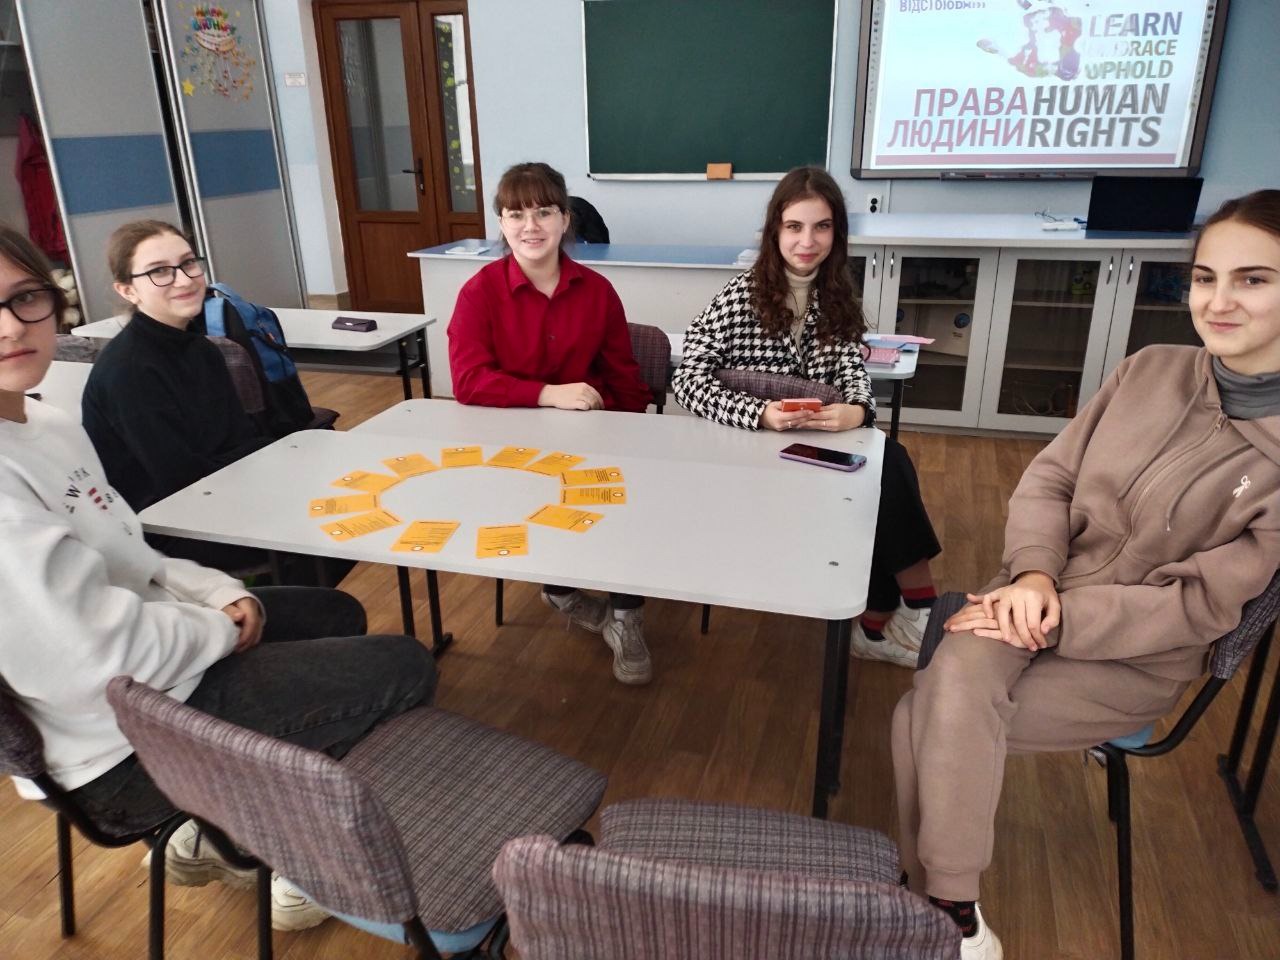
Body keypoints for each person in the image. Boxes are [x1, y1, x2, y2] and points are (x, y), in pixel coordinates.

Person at [0, 224, 437, 931]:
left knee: (335, 613)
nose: (11, 326)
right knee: (406, 666)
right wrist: (217, 629)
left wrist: (219, 594)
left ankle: (222, 821)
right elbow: (90, 662)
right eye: (159, 271)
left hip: (152, 659)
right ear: (124, 290)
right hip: (114, 745)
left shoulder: (46, 425)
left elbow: (130, 553)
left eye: (25, 298)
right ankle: (287, 852)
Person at [891, 189, 1280, 959]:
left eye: (1254, 279)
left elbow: (1200, 607)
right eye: (1206, 278)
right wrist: (1035, 578)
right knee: (945, 695)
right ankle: (947, 914)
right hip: (1029, 599)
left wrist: (1061, 615)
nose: (1218, 301)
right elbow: (1050, 479)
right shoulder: (1149, 369)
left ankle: (935, 907)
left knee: (920, 713)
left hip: (1134, 658)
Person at [672, 166, 942, 667]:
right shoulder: (739, 295)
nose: (807, 241)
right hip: (749, 452)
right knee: (885, 472)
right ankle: (903, 614)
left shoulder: (836, 297)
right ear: (775, 231)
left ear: (836, 233)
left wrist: (857, 410)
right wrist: (759, 414)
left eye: (822, 227)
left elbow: (853, 372)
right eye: (794, 226)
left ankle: (894, 616)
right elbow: (688, 381)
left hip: (811, 446)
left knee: (882, 471)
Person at [448, 161, 655, 685]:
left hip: (594, 439)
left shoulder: (598, 291)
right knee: (537, 510)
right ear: (501, 222)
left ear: (565, 219)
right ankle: (561, 590)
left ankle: (626, 614)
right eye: (516, 214)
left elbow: (625, 377)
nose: (530, 226)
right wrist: (549, 394)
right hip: (512, 450)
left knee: (625, 504)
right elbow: (468, 380)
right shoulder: (479, 292)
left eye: (543, 212)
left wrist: (632, 438)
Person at [80, 220, 272, 570]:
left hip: (216, 495)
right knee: (319, 535)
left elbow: (240, 441)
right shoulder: (129, 371)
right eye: (159, 271)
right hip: (162, 530)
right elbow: (179, 480)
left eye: (188, 263)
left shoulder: (203, 350)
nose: (184, 280)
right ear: (128, 291)